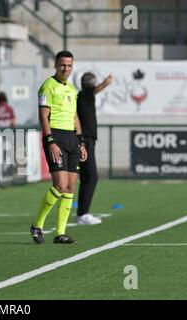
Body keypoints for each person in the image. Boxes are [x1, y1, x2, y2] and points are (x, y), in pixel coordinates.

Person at [30, 51, 87, 245]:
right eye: (63, 65)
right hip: (55, 137)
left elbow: (74, 117)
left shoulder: (71, 89)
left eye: (69, 65)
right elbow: (43, 116)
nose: (66, 69)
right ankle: (37, 225)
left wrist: (81, 142)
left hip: (71, 138)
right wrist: (51, 141)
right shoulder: (47, 86)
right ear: (55, 65)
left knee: (71, 187)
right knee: (60, 185)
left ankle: (60, 233)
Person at [76, 72, 113, 225]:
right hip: (86, 140)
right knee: (91, 176)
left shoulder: (81, 96)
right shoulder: (86, 94)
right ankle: (83, 214)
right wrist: (107, 82)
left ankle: (82, 213)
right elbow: (97, 89)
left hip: (85, 140)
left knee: (86, 177)